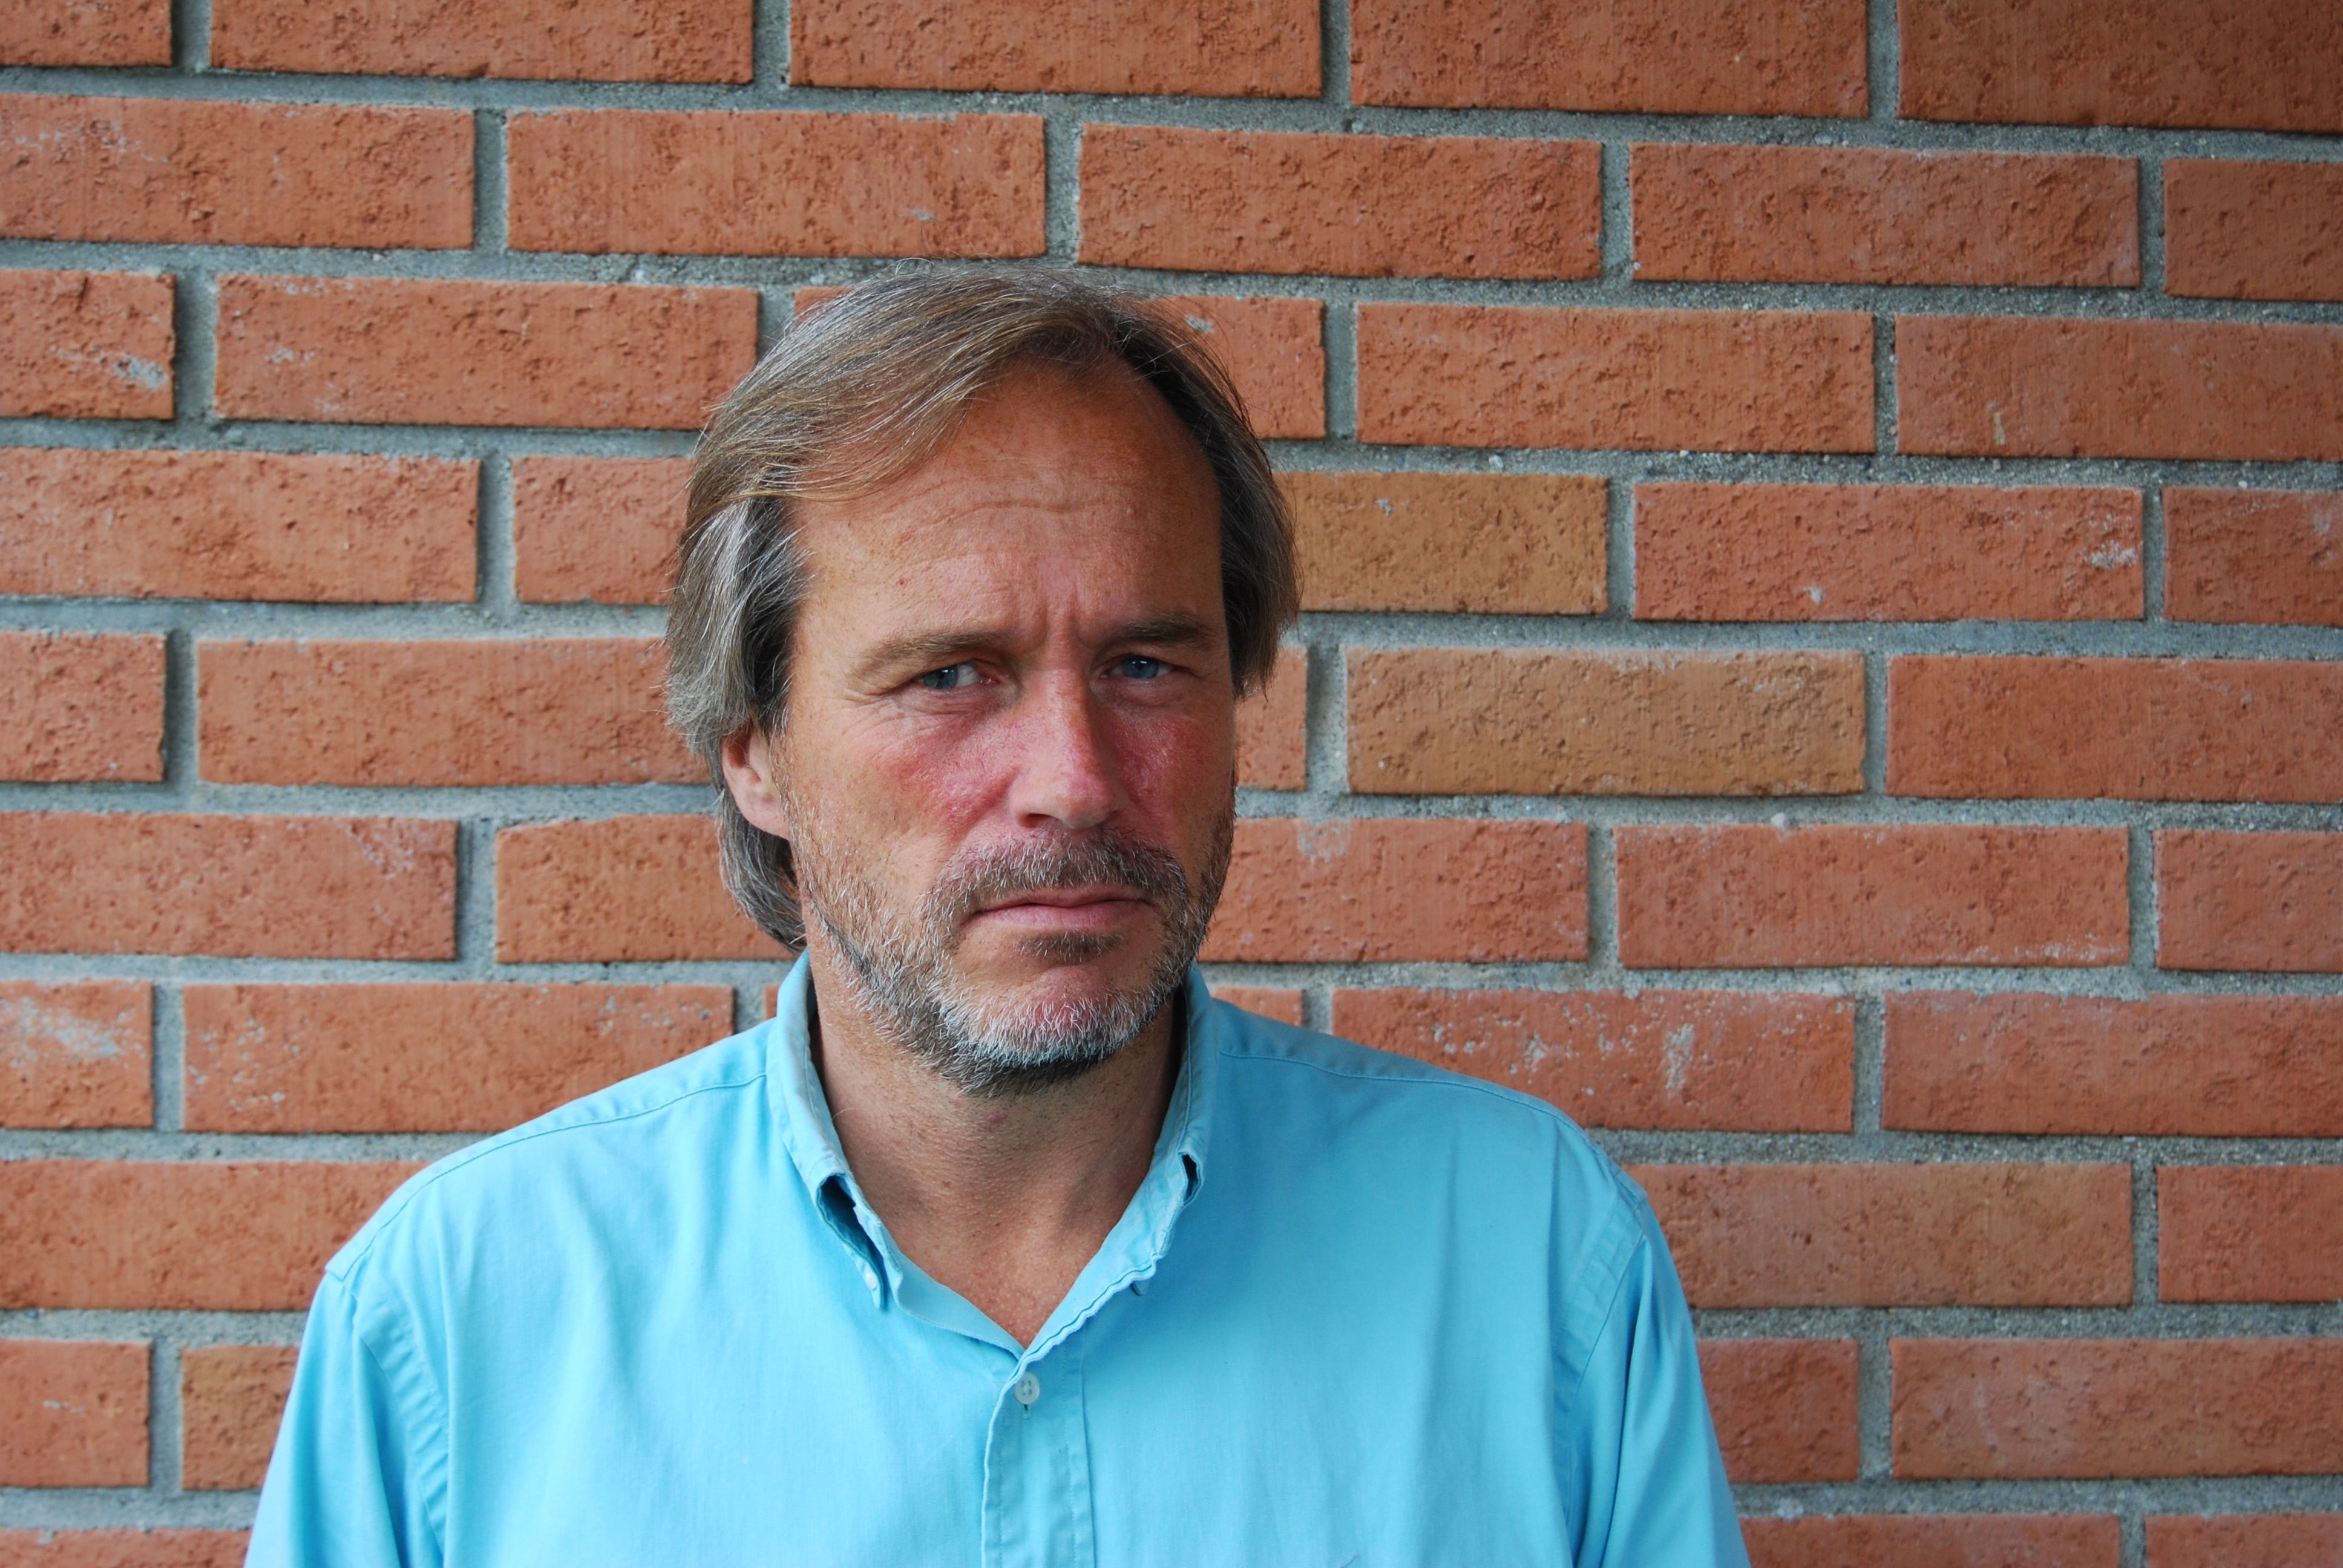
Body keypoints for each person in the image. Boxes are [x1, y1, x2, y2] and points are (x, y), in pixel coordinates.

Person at [247, 268, 1748, 1567]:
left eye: (1146, 665)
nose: (1074, 780)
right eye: (952, 673)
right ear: (755, 750)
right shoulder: (462, 1323)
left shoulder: (1534, 1266)